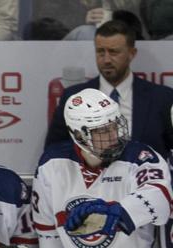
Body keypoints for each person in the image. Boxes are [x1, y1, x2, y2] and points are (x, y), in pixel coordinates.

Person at [33, 88, 171, 248]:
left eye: (114, 125)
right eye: (102, 131)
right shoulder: (52, 164)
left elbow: (160, 198)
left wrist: (117, 212)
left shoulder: (140, 156)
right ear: (78, 134)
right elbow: (46, 221)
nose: (113, 135)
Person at [45, 20, 173, 158]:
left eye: (113, 52)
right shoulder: (74, 98)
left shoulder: (161, 98)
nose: (106, 60)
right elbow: (54, 151)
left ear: (132, 53)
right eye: (100, 52)